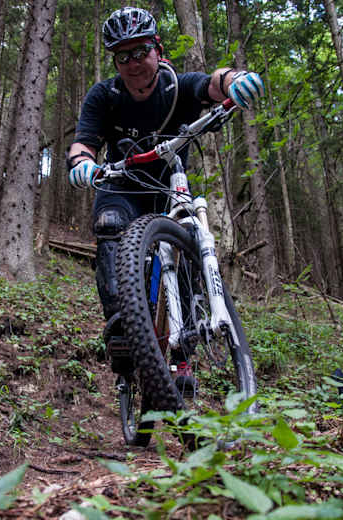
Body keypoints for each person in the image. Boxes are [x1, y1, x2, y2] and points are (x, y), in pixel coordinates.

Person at [67, 6, 264, 394]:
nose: (133, 62)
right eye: (123, 56)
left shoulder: (177, 86)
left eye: (141, 51)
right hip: (122, 186)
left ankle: (182, 354)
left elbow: (212, 84)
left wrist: (235, 79)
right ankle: (121, 330)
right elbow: (83, 143)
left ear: (158, 49)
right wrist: (82, 164)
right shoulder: (104, 95)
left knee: (187, 249)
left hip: (169, 188)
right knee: (109, 225)